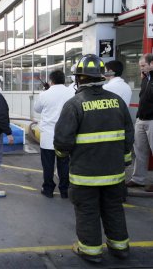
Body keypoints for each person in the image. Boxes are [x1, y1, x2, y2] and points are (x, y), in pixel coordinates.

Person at [54, 54, 134, 263]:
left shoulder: (74, 104)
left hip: (85, 175)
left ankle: (91, 251)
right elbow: (128, 134)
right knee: (114, 209)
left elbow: (62, 141)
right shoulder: (117, 102)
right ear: (101, 76)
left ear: (79, 79)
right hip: (115, 173)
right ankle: (120, 248)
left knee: (88, 210)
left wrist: (62, 156)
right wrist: (125, 160)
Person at [34, 70, 73, 198]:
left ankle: (48, 189)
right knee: (64, 164)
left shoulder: (44, 94)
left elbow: (37, 109)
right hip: (65, 135)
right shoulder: (71, 92)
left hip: (48, 136)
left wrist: (45, 91)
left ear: (51, 81)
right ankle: (64, 190)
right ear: (64, 80)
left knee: (48, 165)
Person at [126, 53, 153, 192]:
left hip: (152, 120)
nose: (141, 69)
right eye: (140, 66)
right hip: (141, 119)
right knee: (139, 150)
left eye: (143, 65)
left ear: (152, 64)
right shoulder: (145, 78)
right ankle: (138, 179)